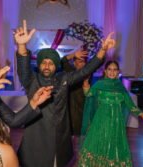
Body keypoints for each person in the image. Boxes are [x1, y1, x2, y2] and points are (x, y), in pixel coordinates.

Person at [14, 20, 116, 167]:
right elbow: (23, 68)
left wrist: (102, 50)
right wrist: (22, 45)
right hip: (36, 135)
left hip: (59, 135)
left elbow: (86, 71)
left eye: (51, 63)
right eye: (44, 62)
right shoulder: (32, 80)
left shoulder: (64, 78)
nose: (47, 65)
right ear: (39, 64)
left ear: (56, 66)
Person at [78, 60, 143, 167]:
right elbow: (89, 95)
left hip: (116, 123)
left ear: (118, 72)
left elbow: (131, 106)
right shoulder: (99, 85)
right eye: (109, 69)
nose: (112, 72)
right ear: (105, 71)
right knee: (100, 144)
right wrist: (85, 84)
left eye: (115, 70)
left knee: (114, 146)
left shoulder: (121, 88)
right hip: (101, 121)